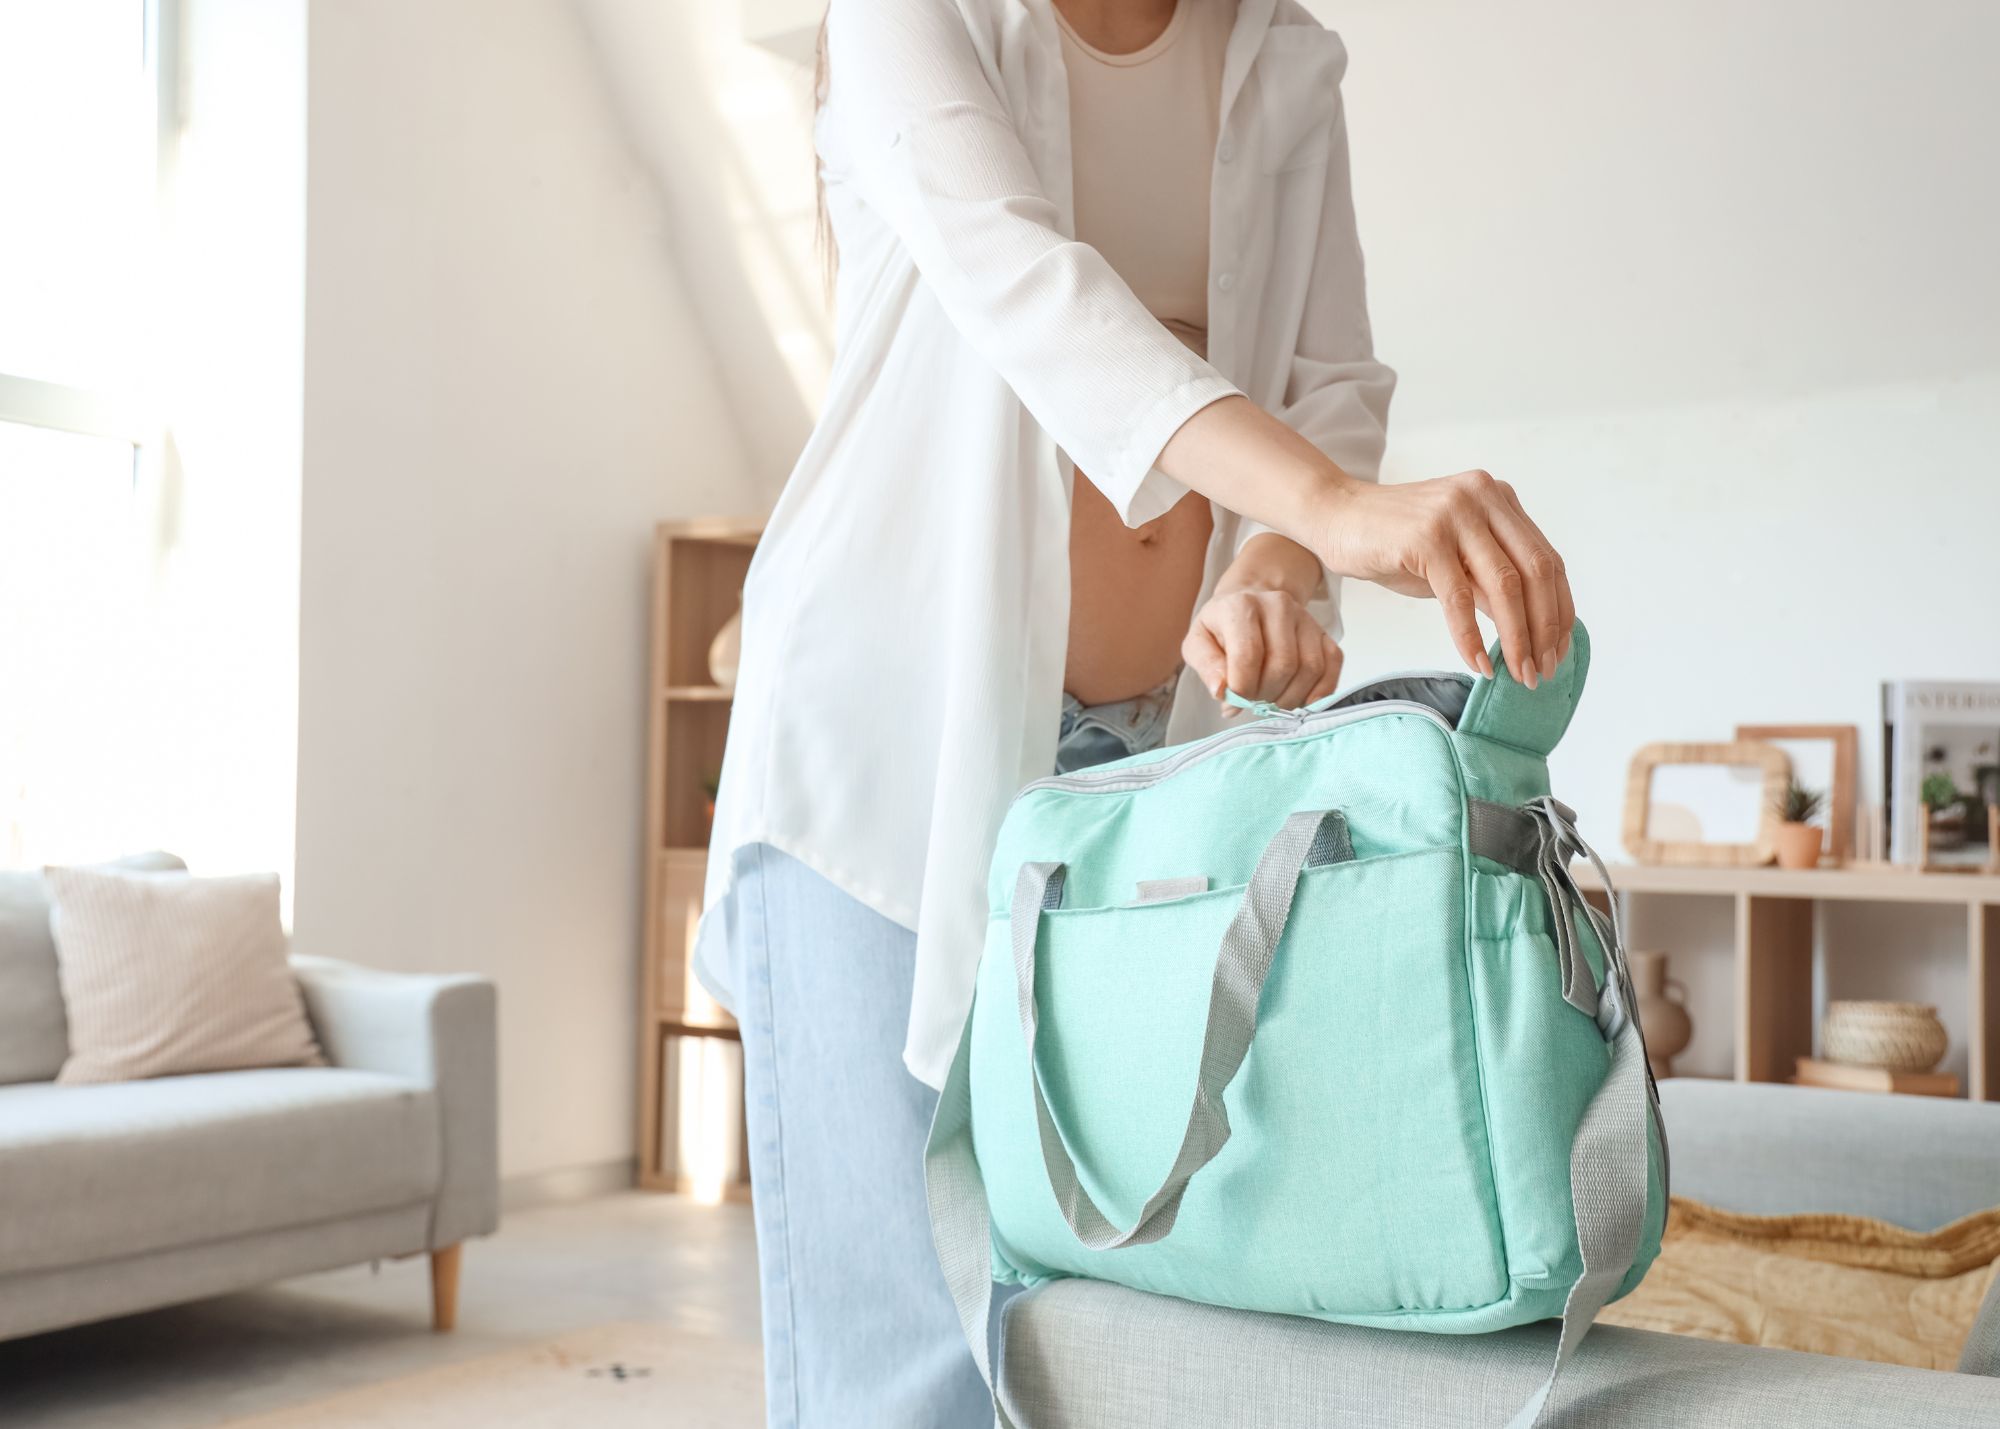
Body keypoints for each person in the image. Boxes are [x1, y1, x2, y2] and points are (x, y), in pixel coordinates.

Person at [694, 0, 1575, 1422]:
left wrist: (1280, 567)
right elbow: (1021, 283)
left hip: (1143, 771)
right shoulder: (908, 17)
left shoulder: (1285, 58)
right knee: (909, 1371)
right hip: (886, 762)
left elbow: (1330, 381)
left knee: (1102, 1329)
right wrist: (1338, 510)